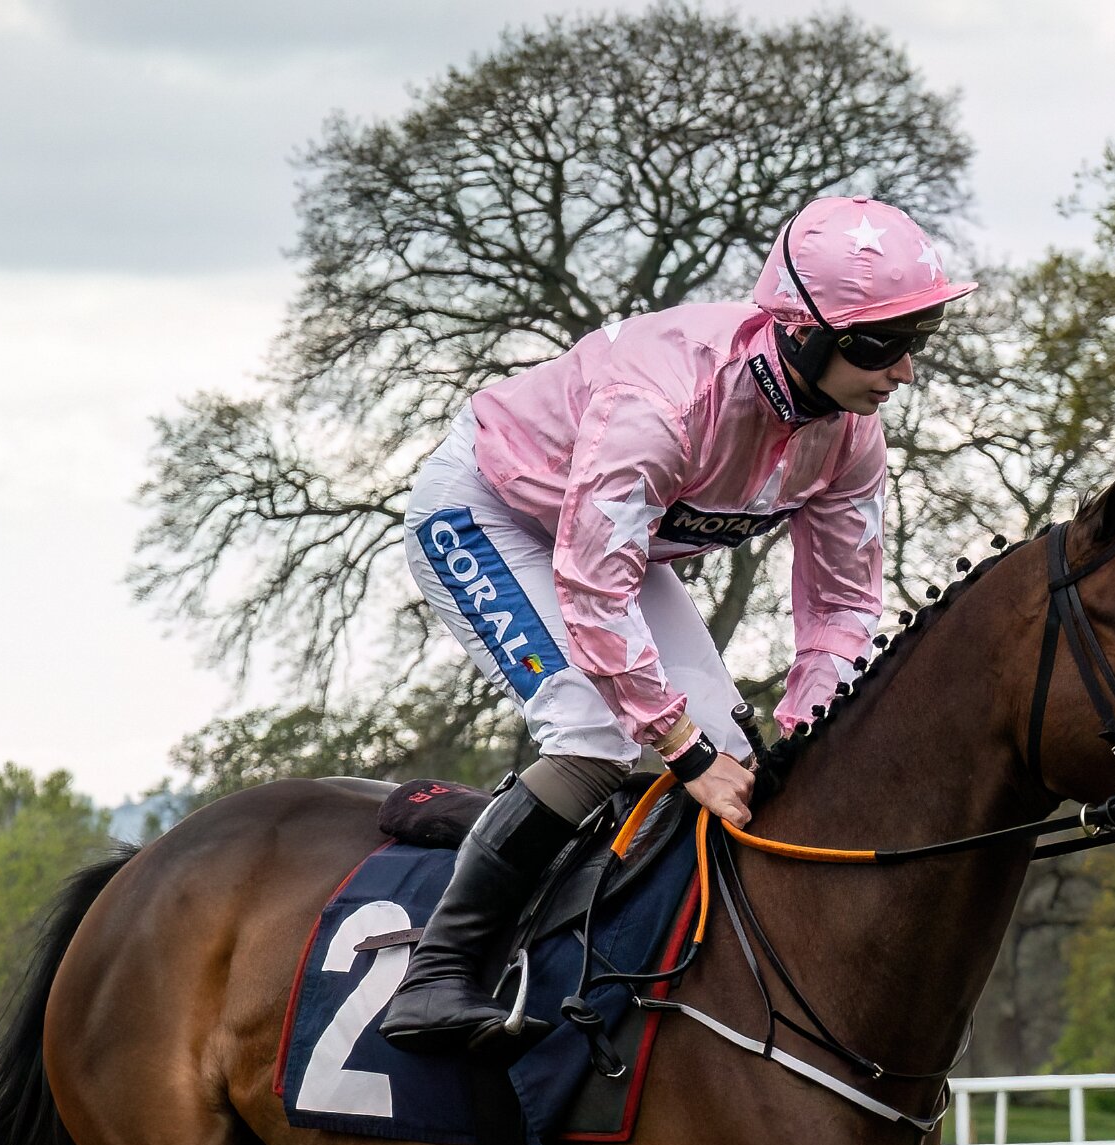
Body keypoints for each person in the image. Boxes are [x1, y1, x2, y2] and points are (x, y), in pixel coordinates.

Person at [379, 193, 974, 1055]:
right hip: (490, 511)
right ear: (802, 332)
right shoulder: (663, 400)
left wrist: (808, 729)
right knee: (599, 731)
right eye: (881, 344)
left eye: (917, 340)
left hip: (613, 547)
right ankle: (436, 977)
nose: (905, 371)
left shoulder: (851, 437)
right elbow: (592, 588)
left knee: (734, 749)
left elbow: (843, 607)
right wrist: (680, 749)